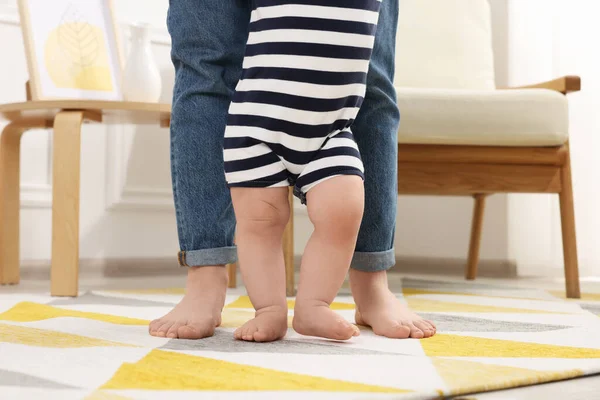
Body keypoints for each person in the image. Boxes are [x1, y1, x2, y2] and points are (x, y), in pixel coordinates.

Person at [149, 0, 436, 341]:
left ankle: (322, 302)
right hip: (255, 129)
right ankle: (255, 303)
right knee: (260, 221)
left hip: (333, 130)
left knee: (344, 208)